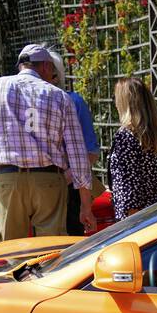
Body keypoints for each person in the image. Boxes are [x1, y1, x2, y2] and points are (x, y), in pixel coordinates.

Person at [0, 43, 95, 241]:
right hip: (49, 182)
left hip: (7, 181)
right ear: (46, 66)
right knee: (50, 251)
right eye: (52, 72)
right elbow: (78, 155)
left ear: (22, 66)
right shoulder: (60, 97)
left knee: (11, 250)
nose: (52, 77)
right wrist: (85, 206)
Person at [49, 49, 102, 235]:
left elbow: (91, 152)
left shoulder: (74, 102)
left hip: (70, 191)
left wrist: (63, 179)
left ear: (55, 75)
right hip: (42, 191)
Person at [107, 76, 157, 217]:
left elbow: (130, 194)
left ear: (125, 103)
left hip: (139, 223)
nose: (115, 104)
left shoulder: (126, 137)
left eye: (117, 99)